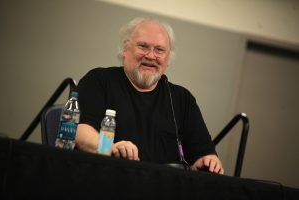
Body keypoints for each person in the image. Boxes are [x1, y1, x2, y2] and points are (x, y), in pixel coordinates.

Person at [75, 17, 224, 174]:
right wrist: (109, 147)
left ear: (168, 58)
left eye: (159, 50)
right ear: (125, 49)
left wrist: (208, 160)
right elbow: (80, 132)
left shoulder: (182, 99)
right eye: (143, 46)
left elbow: (202, 153)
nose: (151, 56)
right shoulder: (99, 80)